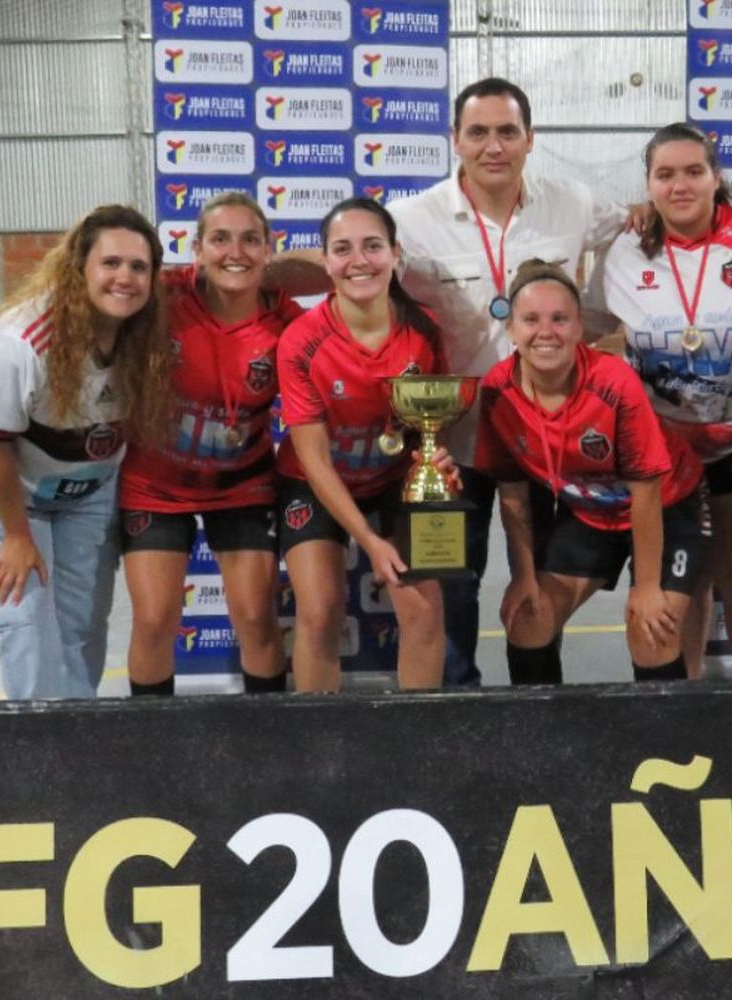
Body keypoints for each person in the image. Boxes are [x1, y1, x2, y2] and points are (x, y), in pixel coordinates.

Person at [386, 77, 629, 686]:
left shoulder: (573, 203)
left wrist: (606, 332)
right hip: (452, 448)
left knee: (540, 589)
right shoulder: (409, 222)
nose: (493, 146)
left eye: (507, 132)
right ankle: (455, 716)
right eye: (478, 132)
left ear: (529, 138)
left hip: (547, 442)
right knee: (454, 591)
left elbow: (641, 233)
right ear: (455, 140)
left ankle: (538, 711)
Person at [0, 204, 170, 699]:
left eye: (139, 267)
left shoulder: (148, 331)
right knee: (26, 623)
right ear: (79, 269)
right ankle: (38, 752)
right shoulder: (21, 343)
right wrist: (15, 534)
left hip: (88, 489)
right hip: (7, 485)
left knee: (81, 626)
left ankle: (77, 736)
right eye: (110, 263)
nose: (125, 278)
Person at [595, 123, 732, 680]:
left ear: (716, 177)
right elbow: (584, 325)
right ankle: (687, 708)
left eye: (693, 172)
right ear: (648, 183)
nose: (680, 186)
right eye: (665, 174)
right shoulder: (626, 249)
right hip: (662, 449)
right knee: (684, 584)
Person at [476, 261, 705, 684]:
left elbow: (647, 493)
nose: (546, 332)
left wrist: (648, 588)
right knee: (530, 619)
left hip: (668, 506)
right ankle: (546, 743)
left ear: (580, 327)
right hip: (592, 516)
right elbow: (512, 496)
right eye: (530, 319)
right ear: (510, 329)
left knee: (650, 629)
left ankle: (666, 747)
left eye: (560, 318)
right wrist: (524, 576)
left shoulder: (613, 382)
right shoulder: (497, 391)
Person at [118, 193, 299, 697]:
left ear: (270, 249)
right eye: (220, 239)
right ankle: (153, 743)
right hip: (156, 485)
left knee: (257, 619)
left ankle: (269, 744)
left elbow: (327, 273)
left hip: (242, 485)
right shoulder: (162, 297)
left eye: (250, 240)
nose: (234, 252)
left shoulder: (286, 319)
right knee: (154, 620)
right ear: (195, 248)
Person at [275, 197, 449, 693]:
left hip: (394, 479)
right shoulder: (300, 341)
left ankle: (416, 742)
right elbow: (313, 458)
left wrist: (437, 458)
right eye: (343, 249)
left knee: (422, 608)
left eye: (373, 246)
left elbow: (428, 427)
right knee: (320, 610)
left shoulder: (423, 332)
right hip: (314, 482)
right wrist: (369, 541)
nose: (359, 261)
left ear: (395, 253)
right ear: (326, 261)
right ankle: (318, 747)